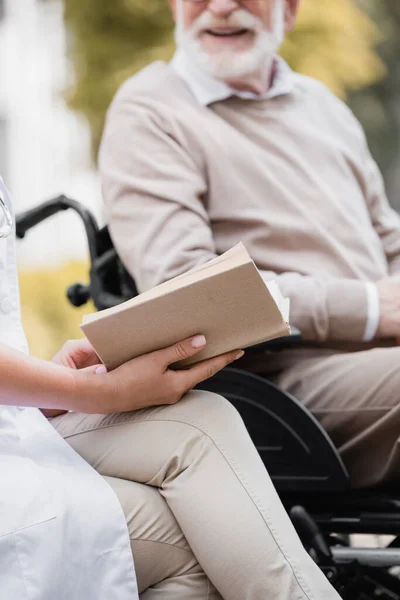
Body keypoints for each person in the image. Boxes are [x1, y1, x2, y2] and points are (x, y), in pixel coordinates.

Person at [99, 0, 400, 490]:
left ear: (290, 10)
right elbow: (188, 291)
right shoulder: (150, 112)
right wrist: (368, 308)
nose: (220, 7)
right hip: (281, 384)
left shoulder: (322, 105)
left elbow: (390, 239)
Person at [0, 176, 340, 598]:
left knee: (203, 422)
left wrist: (47, 389)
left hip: (13, 424)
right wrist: (89, 391)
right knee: (191, 532)